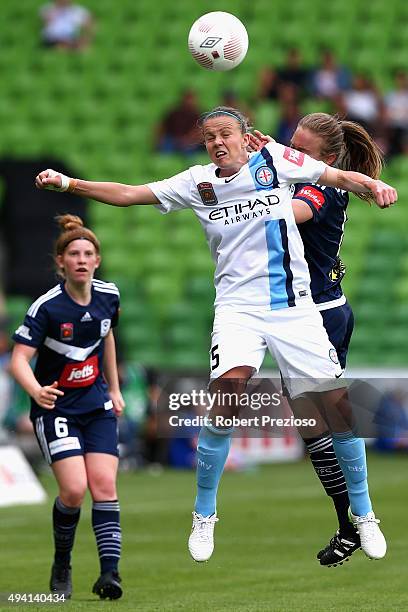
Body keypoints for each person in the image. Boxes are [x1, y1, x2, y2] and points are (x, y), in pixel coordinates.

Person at [34, 106, 396, 567]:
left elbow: (337, 178)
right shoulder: (196, 182)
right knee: (225, 395)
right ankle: (204, 513)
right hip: (237, 308)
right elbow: (128, 193)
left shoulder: (279, 161)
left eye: (226, 134)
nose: (218, 142)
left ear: (247, 137)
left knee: (337, 408)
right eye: (210, 137)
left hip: (295, 306)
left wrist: (375, 184)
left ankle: (363, 516)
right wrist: (70, 184)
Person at [250, 113, 384, 567]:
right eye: (292, 143)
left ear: (327, 159)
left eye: (302, 151)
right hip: (302, 313)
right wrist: (269, 150)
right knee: (314, 428)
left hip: (318, 316)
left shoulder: (322, 187)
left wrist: (237, 195)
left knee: (328, 421)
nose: (293, 153)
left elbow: (295, 211)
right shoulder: (303, 170)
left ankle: (359, 519)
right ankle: (351, 524)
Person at [10, 215, 124, 600]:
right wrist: (36, 390)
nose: (80, 259)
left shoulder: (110, 295)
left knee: (105, 485)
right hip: (57, 410)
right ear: (60, 262)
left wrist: (116, 388)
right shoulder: (47, 307)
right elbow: (18, 360)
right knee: (74, 490)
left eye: (87, 253)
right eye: (73, 253)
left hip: (96, 404)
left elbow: (106, 339)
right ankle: (62, 562)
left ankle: (110, 575)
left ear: (97, 260)